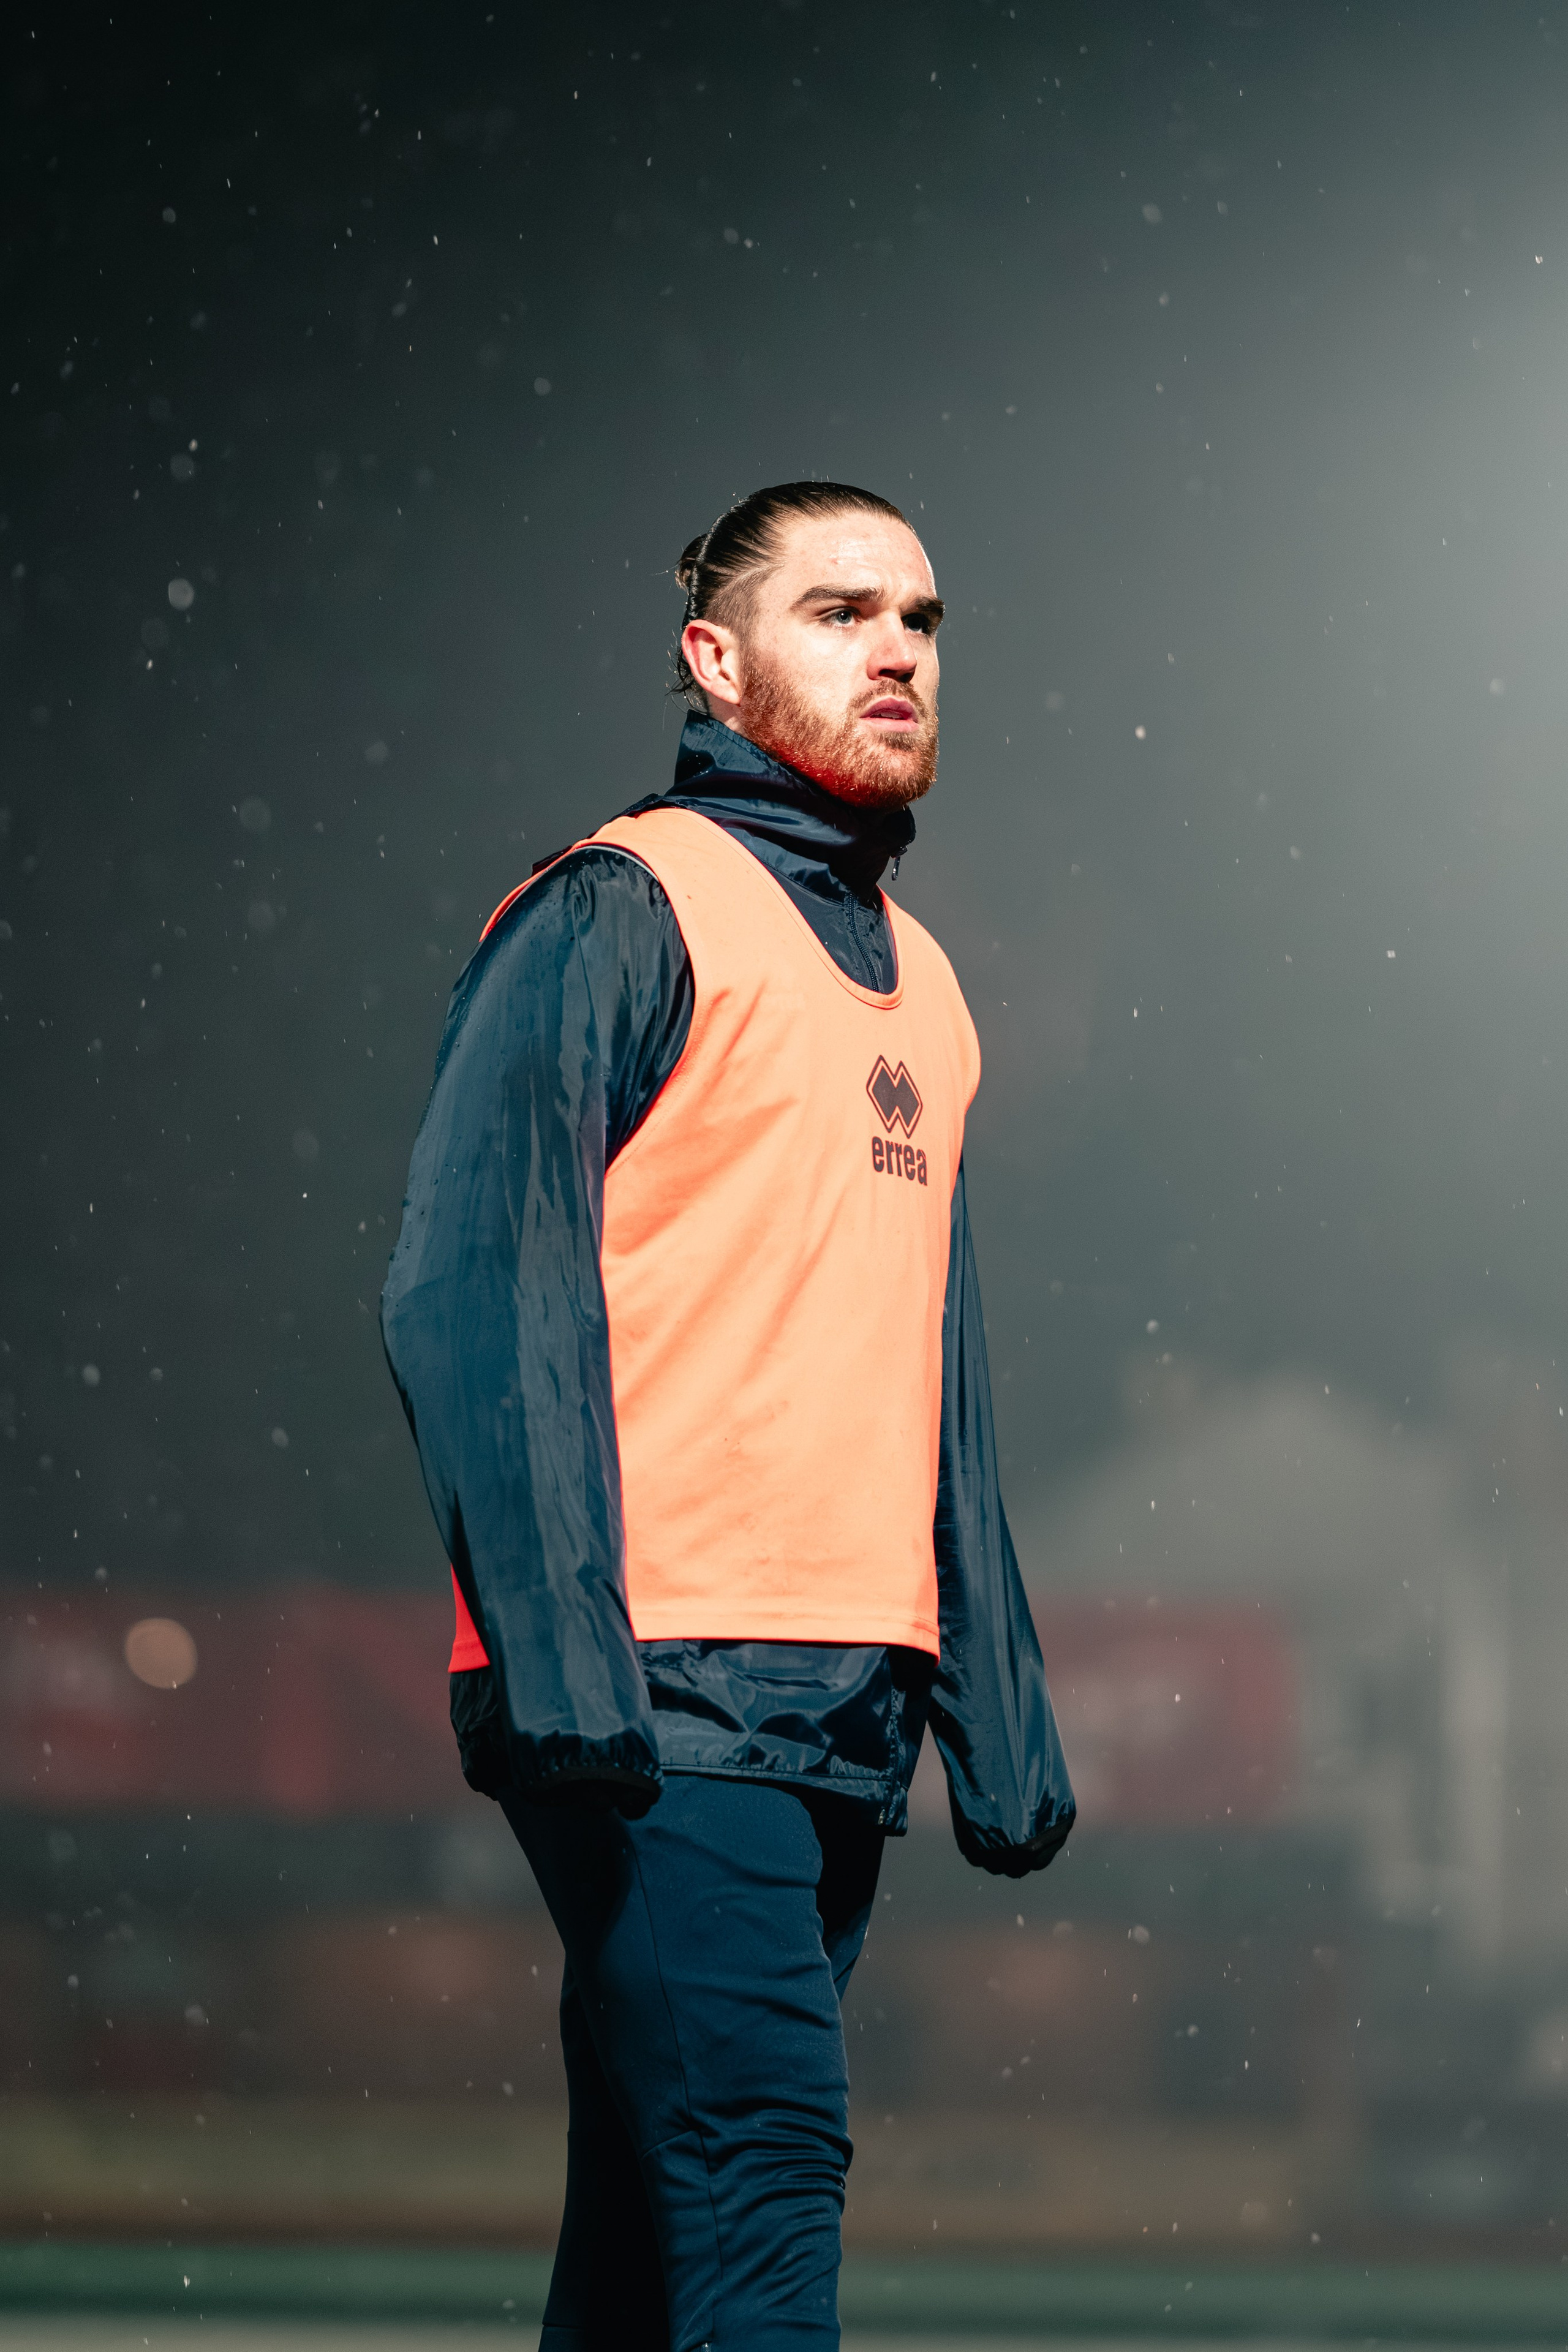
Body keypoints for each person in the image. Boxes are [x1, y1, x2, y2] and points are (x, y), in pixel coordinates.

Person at [381, 481, 1074, 2352]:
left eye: (922, 619)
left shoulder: (926, 986)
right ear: (716, 656)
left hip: (842, 1693)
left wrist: (988, 1693)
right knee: (765, 2164)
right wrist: (559, 1644)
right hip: (662, 1683)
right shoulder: (619, 907)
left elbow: (934, 1345)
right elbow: (470, 1279)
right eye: (842, 610)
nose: (898, 651)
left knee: (652, 2206)